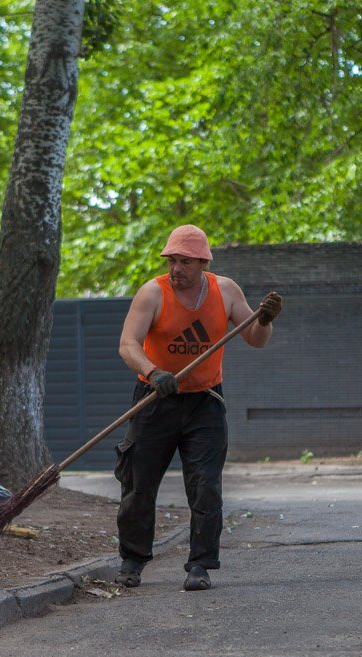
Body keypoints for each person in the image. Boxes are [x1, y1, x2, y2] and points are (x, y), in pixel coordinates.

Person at [112, 224, 282, 591]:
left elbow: (256, 340)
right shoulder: (152, 293)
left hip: (205, 402)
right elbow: (128, 344)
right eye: (172, 260)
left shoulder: (226, 291)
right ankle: (132, 560)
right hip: (155, 400)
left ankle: (200, 565)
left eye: (185, 262)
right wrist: (153, 371)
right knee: (138, 483)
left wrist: (265, 320)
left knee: (205, 486)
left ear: (203, 261)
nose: (176, 268)